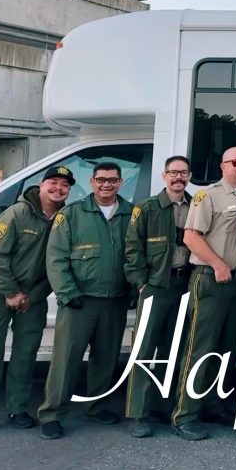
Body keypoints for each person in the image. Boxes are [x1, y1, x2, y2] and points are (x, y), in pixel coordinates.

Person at [38, 162, 134, 439]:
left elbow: (135, 254)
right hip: (79, 300)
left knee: (106, 358)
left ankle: (96, 405)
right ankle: (52, 413)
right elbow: (55, 258)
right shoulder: (71, 214)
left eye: (112, 180)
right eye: (101, 180)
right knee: (65, 360)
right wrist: (68, 293)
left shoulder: (132, 213)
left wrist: (130, 290)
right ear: (91, 182)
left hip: (114, 300)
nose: (106, 184)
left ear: (120, 182)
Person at [0, 166, 72, 432]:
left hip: (33, 298)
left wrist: (34, 295)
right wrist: (11, 293)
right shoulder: (17, 213)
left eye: (65, 184)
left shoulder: (64, 219)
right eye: (53, 182)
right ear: (41, 185)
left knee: (25, 354)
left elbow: (57, 264)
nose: (58, 188)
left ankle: (16, 409)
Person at [171, 147, 236, 441]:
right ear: (223, 166)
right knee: (199, 349)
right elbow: (191, 236)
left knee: (226, 350)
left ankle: (212, 404)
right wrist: (218, 263)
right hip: (209, 279)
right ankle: (185, 414)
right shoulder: (208, 196)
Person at [123, 156, 193, 438]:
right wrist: (140, 283)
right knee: (144, 351)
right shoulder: (147, 208)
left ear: (189, 176)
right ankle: (138, 413)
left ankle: (163, 407)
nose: (178, 177)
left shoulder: (196, 206)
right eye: (173, 172)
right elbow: (132, 248)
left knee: (171, 350)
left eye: (183, 173)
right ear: (164, 175)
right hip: (154, 285)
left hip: (184, 285)